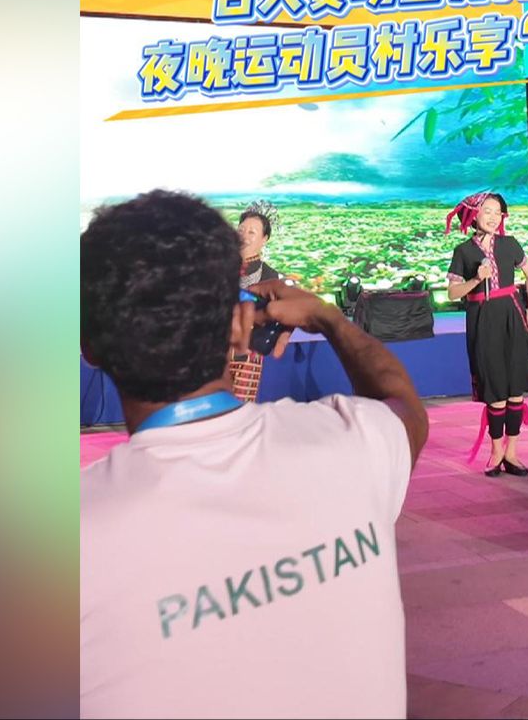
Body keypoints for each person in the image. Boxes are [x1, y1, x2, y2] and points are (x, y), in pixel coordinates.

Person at [78, 190, 429, 720]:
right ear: (241, 323)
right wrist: (328, 318)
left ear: (88, 345)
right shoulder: (353, 443)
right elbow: (405, 408)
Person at [444, 191, 528, 477]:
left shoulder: (509, 244)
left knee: (515, 390)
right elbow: (452, 293)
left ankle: (512, 452)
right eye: (487, 211)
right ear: (473, 214)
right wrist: (476, 278)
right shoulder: (463, 251)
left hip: (512, 316)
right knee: (495, 390)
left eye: (497, 212)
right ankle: (496, 451)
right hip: (483, 320)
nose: (493, 217)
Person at [227, 200, 291, 403]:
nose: (244, 236)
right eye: (241, 230)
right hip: (213, 352)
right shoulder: (219, 267)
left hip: (247, 354)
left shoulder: (271, 276)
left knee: (240, 411)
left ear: (264, 239)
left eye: (251, 232)